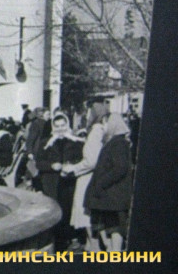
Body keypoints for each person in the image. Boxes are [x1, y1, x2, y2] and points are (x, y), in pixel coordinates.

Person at [62, 102, 108, 251]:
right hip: (94, 176)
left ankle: (94, 246)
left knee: (85, 212)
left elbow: (91, 161)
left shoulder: (95, 132)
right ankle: (90, 245)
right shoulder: (102, 130)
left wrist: (73, 168)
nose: (87, 116)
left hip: (88, 178)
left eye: (89, 112)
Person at [84, 112, 133, 252]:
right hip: (109, 195)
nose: (103, 127)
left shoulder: (118, 144)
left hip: (113, 195)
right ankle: (111, 253)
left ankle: (114, 255)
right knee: (109, 226)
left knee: (115, 227)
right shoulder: (115, 142)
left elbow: (120, 168)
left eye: (105, 123)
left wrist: (101, 183)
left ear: (113, 125)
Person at [35, 113, 84, 250]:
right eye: (57, 126)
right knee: (54, 210)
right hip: (51, 182)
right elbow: (39, 163)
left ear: (67, 125)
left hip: (69, 182)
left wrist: (71, 166)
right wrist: (51, 165)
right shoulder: (46, 143)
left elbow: (81, 160)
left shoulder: (75, 142)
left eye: (63, 125)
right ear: (53, 127)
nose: (60, 129)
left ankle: (68, 239)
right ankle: (55, 241)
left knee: (67, 210)